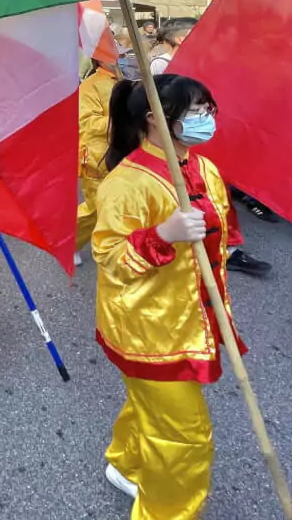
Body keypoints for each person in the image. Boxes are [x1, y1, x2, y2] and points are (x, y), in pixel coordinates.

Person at [94, 74, 247, 517]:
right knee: (185, 439)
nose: (206, 118)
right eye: (195, 110)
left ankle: (126, 462)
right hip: (149, 328)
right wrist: (161, 234)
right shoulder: (126, 183)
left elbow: (221, 226)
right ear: (154, 119)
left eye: (207, 108)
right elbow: (111, 258)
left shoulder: (203, 167)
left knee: (151, 408)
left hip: (191, 314)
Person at [75, 56, 119, 266]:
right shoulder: (90, 86)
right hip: (97, 158)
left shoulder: (122, 81)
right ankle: (70, 242)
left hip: (121, 153)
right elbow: (88, 123)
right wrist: (124, 121)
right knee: (95, 207)